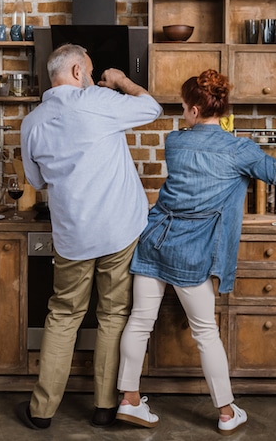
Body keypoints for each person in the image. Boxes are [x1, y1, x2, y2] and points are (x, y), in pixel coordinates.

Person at [114, 69, 276, 435]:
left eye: (183, 106)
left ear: (193, 109)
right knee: (205, 332)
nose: (180, 112)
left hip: (155, 240)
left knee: (139, 322)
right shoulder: (239, 150)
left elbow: (205, 154)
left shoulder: (175, 141)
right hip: (193, 253)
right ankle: (226, 412)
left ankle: (129, 401)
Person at [16, 43, 163, 429]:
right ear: (79, 72)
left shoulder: (31, 123)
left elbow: (35, 180)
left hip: (73, 235)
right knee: (113, 315)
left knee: (63, 316)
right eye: (93, 71)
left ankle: (41, 411)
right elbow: (152, 108)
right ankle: (105, 405)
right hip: (119, 230)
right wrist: (120, 80)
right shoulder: (98, 99)